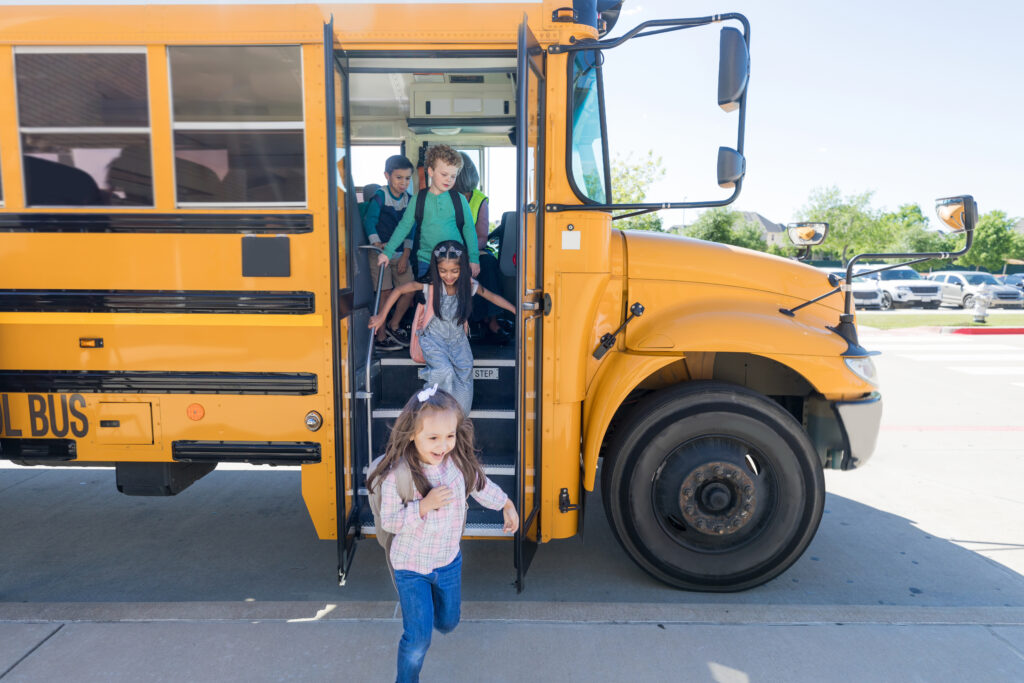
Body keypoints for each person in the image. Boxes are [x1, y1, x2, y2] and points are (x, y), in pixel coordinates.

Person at [366, 386, 519, 683]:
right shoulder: (397, 475)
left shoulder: (457, 465)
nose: (443, 445)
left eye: (449, 436)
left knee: (449, 622)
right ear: (412, 434)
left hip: (448, 563)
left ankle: (428, 615)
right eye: (433, 438)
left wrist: (506, 504)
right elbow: (390, 521)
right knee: (417, 640)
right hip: (410, 568)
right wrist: (423, 506)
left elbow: (481, 486)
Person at [369, 240, 515, 415]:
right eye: (443, 271)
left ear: (463, 269)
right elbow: (399, 290)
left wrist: (515, 310)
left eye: (455, 271)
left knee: (464, 374)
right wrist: (381, 316)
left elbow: (491, 296)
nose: (449, 276)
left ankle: (459, 417)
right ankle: (433, 409)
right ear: (436, 269)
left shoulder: (468, 285)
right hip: (433, 339)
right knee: (443, 371)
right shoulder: (430, 286)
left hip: (457, 341)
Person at [377, 145, 480, 280]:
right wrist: (388, 252)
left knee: (454, 300)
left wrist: (474, 258)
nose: (449, 179)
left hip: (455, 261)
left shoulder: (459, 200)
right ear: (431, 171)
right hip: (426, 261)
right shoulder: (418, 199)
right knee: (428, 300)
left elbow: (469, 230)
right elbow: (404, 227)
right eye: (444, 174)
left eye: (453, 176)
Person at [452, 152, 510, 345]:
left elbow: (482, 237)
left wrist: (467, 254)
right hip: (449, 248)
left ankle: (492, 321)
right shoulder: (443, 197)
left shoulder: (480, 199)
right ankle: (465, 323)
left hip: (473, 248)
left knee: (488, 264)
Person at [364, 156, 416, 350]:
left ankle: (394, 325)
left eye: (407, 179)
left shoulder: (410, 200)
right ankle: (381, 335)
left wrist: (406, 255)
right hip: (380, 253)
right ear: (387, 176)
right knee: (384, 294)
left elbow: (411, 228)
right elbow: (370, 220)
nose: (403, 183)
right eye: (399, 178)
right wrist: (376, 242)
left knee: (409, 290)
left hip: (401, 253)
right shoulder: (380, 195)